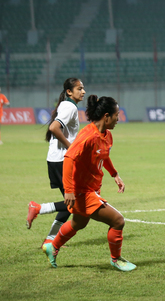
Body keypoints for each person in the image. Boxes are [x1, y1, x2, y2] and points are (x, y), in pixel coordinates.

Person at [42, 95, 135, 271]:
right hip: (81, 191)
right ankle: (116, 259)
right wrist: (68, 190)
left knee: (79, 223)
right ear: (106, 116)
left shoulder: (107, 135)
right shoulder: (88, 135)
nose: (118, 119)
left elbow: (104, 156)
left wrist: (114, 174)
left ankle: (52, 246)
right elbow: (69, 158)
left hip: (92, 188)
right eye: (116, 115)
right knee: (118, 221)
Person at [27, 78, 85, 248]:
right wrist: (71, 147)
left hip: (56, 159)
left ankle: (50, 239)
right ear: (69, 91)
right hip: (63, 161)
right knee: (75, 203)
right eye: (79, 88)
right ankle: (38, 208)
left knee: (72, 203)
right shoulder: (69, 106)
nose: (83, 91)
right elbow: (54, 127)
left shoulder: (65, 105)